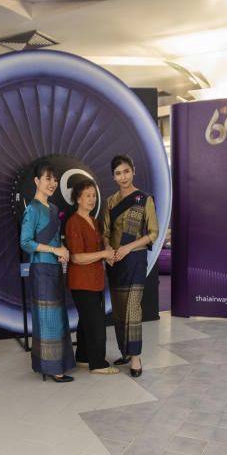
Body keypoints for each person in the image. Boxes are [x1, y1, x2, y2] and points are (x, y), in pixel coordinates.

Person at [102, 154, 159, 377]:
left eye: (126, 171)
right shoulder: (110, 202)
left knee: (133, 308)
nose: (123, 176)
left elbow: (153, 233)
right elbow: (105, 233)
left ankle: (135, 357)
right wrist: (108, 250)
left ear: (133, 171)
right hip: (115, 262)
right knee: (119, 308)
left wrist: (129, 247)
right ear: (114, 177)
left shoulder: (145, 199)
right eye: (118, 173)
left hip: (135, 259)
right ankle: (124, 350)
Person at [19, 160, 75, 382]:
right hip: (41, 269)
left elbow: (53, 239)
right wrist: (55, 249)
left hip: (54, 268)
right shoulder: (32, 209)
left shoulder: (54, 209)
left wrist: (62, 251)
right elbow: (25, 242)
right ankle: (52, 368)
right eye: (48, 178)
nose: (53, 183)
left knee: (58, 315)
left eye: (55, 179)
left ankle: (58, 362)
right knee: (47, 317)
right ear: (36, 181)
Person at [65, 178, 119, 375]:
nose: (92, 199)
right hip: (81, 282)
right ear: (78, 199)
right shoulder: (73, 223)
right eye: (87, 196)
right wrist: (104, 254)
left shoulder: (94, 221)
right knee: (95, 323)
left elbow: (95, 252)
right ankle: (98, 364)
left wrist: (107, 254)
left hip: (95, 281)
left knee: (86, 321)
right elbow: (77, 257)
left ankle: (83, 357)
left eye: (94, 195)